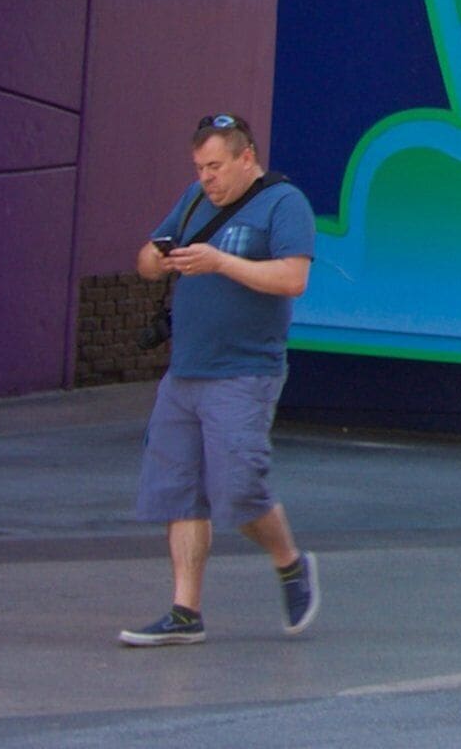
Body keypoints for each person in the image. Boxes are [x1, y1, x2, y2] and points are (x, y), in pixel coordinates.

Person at [121, 115, 323, 647]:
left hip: (244, 372)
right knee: (179, 493)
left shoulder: (284, 204)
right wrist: (160, 260)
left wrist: (220, 262)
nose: (207, 178)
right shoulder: (192, 201)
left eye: (215, 166)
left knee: (239, 489)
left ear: (246, 158)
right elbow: (145, 259)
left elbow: (292, 278)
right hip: (185, 370)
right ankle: (185, 610)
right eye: (200, 168)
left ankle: (289, 562)